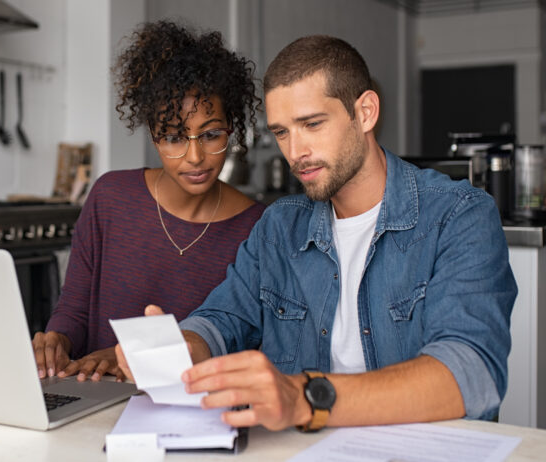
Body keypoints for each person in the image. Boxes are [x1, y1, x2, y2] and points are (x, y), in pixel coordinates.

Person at [118, 35, 517, 431]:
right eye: (282, 132)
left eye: (311, 124)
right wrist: (184, 347)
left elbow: (472, 373)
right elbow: (223, 318)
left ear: (365, 112)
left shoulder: (458, 215)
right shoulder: (279, 227)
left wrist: (307, 398)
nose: (295, 151)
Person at [32, 20, 265, 382]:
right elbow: (75, 310)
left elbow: (242, 342)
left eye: (211, 134)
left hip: (191, 412)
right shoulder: (110, 198)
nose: (194, 157)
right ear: (153, 137)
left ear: (231, 130)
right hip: (93, 399)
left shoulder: (257, 227)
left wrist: (130, 357)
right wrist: (56, 341)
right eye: (173, 138)